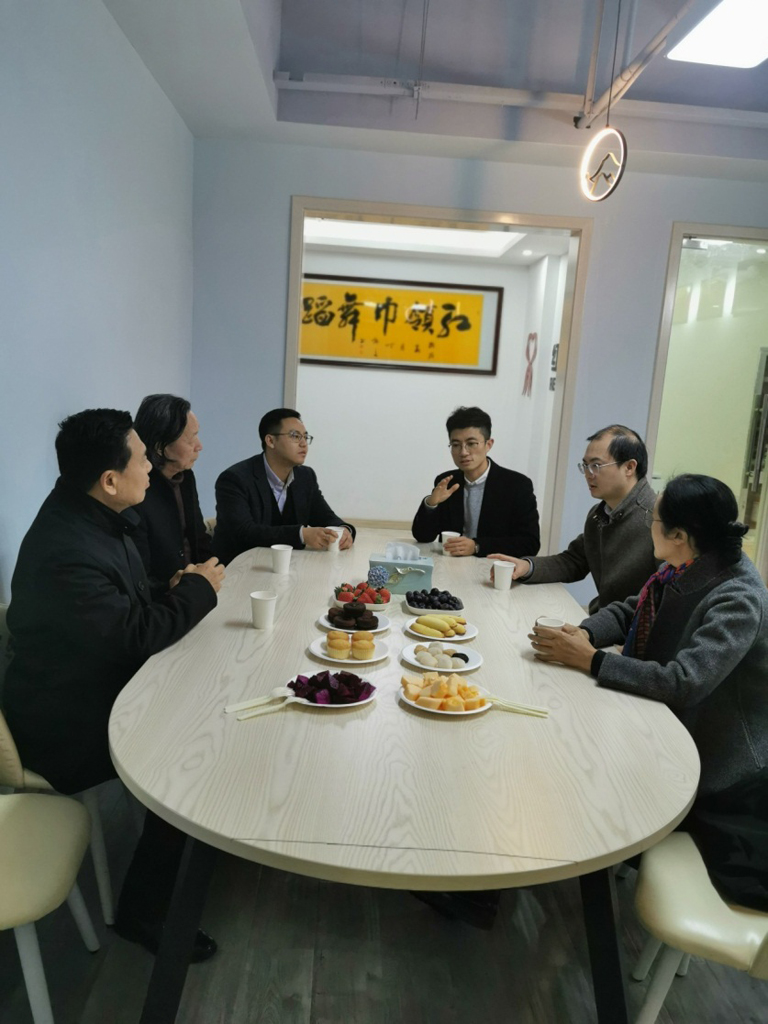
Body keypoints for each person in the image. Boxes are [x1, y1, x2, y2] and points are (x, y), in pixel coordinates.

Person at [2, 409, 225, 959]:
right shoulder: (68, 548)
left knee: (206, 705)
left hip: (94, 683)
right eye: (143, 458)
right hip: (63, 722)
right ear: (109, 479)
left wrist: (172, 585)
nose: (150, 467)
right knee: (185, 758)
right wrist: (198, 590)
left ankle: (196, 849)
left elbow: (125, 597)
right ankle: (143, 914)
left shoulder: (91, 514)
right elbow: (133, 636)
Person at [529, 474, 768, 910]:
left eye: (654, 520)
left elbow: (684, 681)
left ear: (679, 535)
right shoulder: (683, 563)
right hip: (670, 722)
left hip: (717, 764)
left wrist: (591, 660)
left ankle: (557, 856)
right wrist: (583, 633)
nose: (647, 527)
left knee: (582, 765)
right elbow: (630, 609)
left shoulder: (738, 596)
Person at [489, 424, 657, 612]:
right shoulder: (599, 514)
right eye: (585, 466)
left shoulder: (658, 519)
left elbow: (662, 600)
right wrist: (527, 566)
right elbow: (573, 561)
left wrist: (592, 628)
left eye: (596, 466)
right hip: (605, 619)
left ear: (629, 467)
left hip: (632, 627)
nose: (588, 475)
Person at [213, 408, 355, 564]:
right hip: (239, 568)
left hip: (288, 567)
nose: (303, 444)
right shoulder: (235, 479)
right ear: (270, 441)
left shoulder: (305, 477)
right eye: (295, 436)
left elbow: (325, 516)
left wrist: (344, 530)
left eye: (305, 437)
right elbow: (244, 532)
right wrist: (301, 534)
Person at [411, 406, 540, 558]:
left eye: (471, 444)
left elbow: (530, 543)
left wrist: (477, 546)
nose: (463, 452)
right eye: (456, 445)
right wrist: (431, 504)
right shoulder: (447, 482)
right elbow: (423, 536)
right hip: (449, 564)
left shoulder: (517, 485)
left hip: (490, 565)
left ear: (488, 444)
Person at [133, 394, 212, 588]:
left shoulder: (186, 477)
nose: (199, 446)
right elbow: (140, 575)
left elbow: (199, 536)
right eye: (191, 439)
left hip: (198, 587)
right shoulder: (137, 491)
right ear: (161, 447)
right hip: (166, 595)